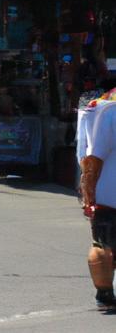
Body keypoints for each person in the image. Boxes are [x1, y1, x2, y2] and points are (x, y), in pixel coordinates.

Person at [78, 95, 116, 312]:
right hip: (108, 194)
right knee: (103, 245)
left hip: (107, 193)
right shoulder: (107, 110)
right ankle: (104, 293)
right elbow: (93, 157)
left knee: (104, 243)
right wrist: (89, 190)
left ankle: (105, 293)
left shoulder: (103, 109)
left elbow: (91, 157)